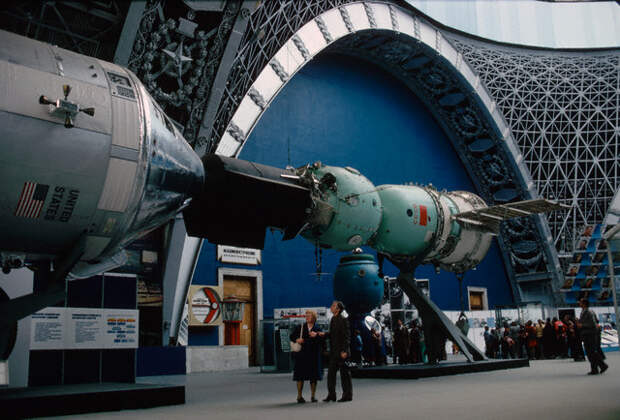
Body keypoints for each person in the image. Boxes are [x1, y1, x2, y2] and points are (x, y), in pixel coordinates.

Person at [319, 301, 352, 402]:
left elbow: (347, 336)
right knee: (331, 375)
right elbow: (332, 334)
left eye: (333, 306)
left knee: (345, 375)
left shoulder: (343, 319)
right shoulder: (333, 319)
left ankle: (347, 395)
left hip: (342, 352)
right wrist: (323, 334)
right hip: (334, 352)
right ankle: (331, 395)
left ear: (338, 309)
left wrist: (345, 351)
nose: (331, 307)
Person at [289, 310, 323, 403]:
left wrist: (314, 337)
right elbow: (291, 336)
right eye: (306, 315)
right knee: (300, 375)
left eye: (309, 315)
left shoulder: (318, 327)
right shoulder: (300, 327)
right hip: (302, 355)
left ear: (314, 317)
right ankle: (299, 396)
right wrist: (297, 339)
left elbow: (321, 341)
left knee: (314, 376)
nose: (307, 317)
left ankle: (313, 396)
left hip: (314, 355)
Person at [578, 298, 608, 375]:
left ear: (584, 304)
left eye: (580, 302)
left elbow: (593, 324)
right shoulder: (584, 312)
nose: (579, 303)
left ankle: (602, 365)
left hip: (590, 334)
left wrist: (582, 325)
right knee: (590, 352)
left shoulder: (589, 312)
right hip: (587, 334)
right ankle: (595, 369)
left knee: (591, 352)